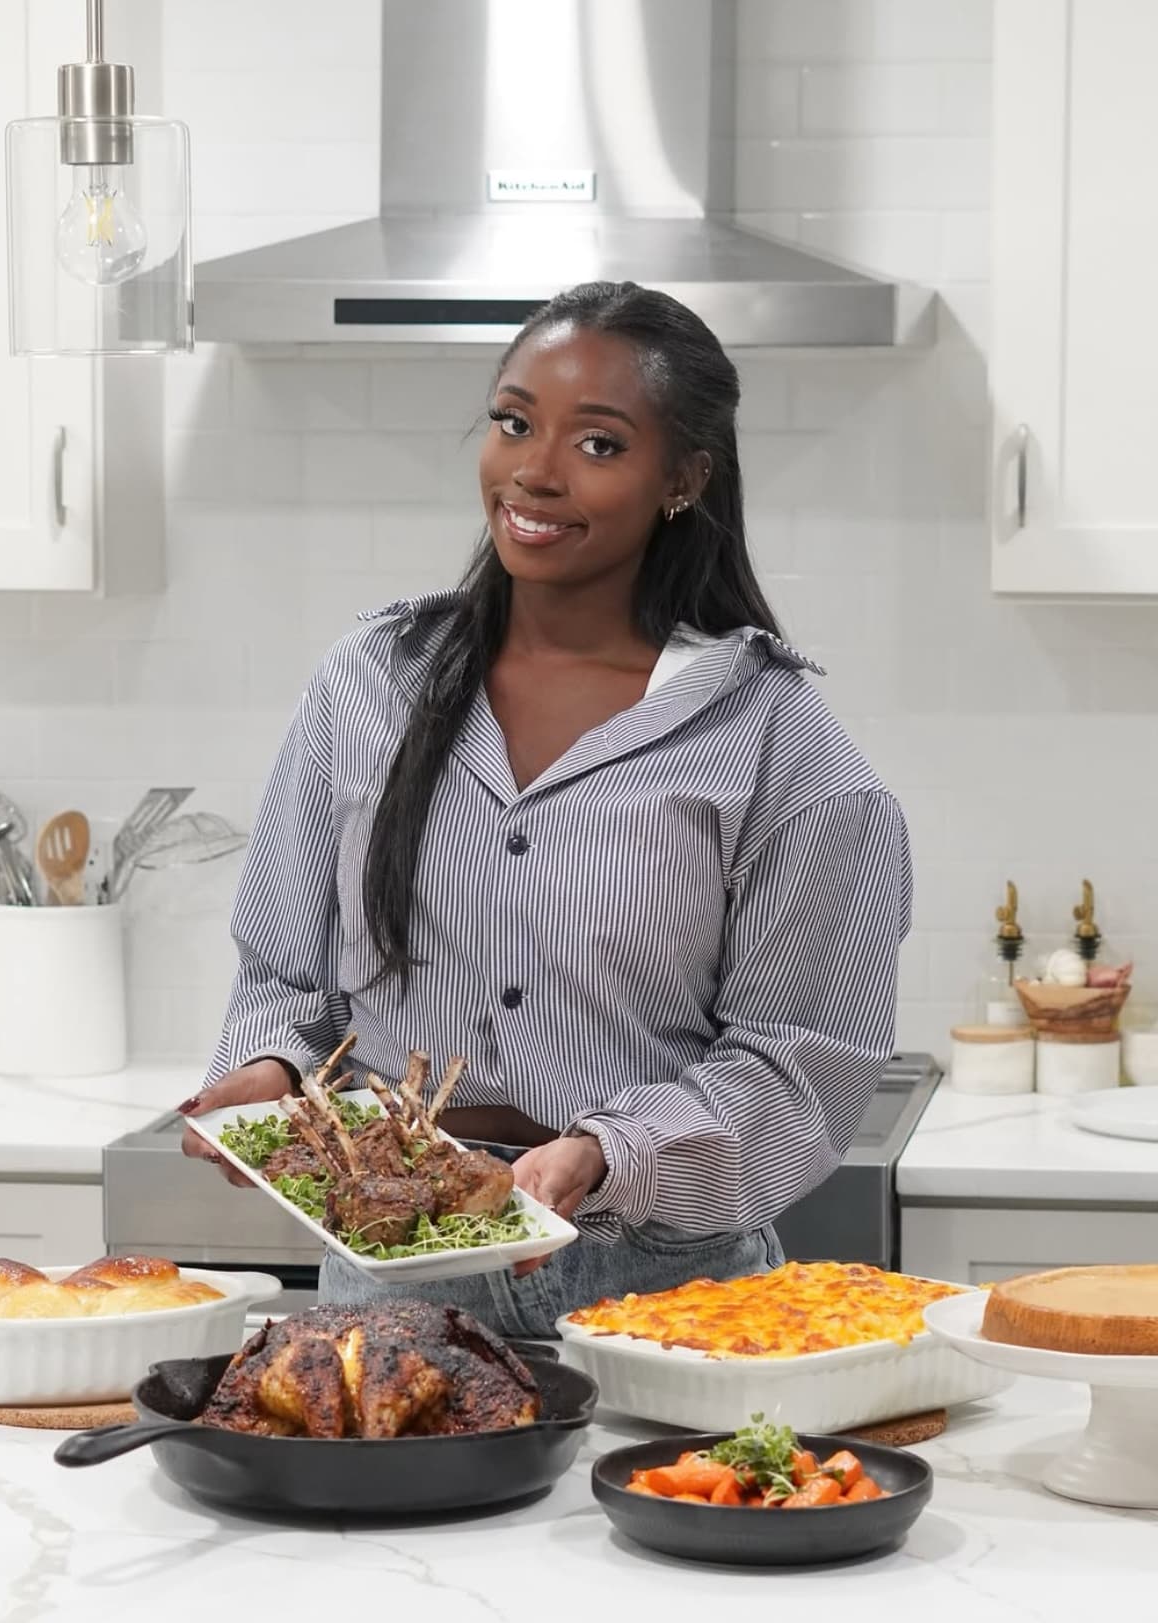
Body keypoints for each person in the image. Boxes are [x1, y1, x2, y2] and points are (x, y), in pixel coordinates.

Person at [180, 280, 913, 1339]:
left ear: (685, 478)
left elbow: (800, 1067)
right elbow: (288, 976)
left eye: (600, 445)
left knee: (656, 1504)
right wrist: (267, 1068)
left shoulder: (780, 744)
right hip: (395, 1270)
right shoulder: (369, 685)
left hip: (665, 1286)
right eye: (515, 422)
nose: (534, 469)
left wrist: (610, 1153)